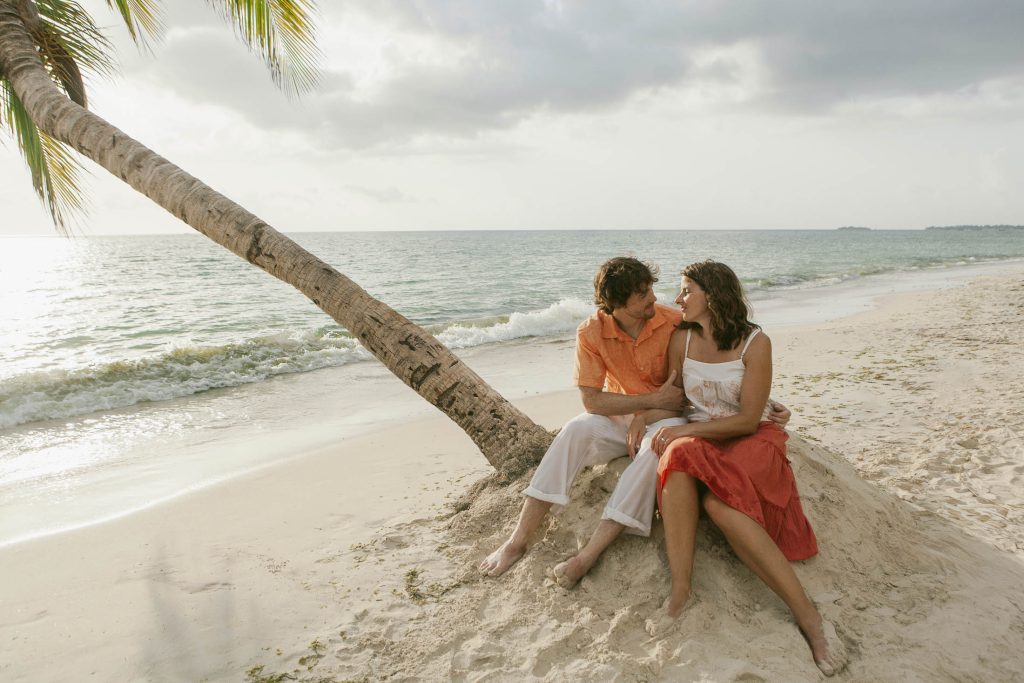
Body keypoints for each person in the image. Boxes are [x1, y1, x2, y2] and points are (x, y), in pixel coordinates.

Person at [478, 257, 790, 586]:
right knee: (575, 429)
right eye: (643, 294)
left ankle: (588, 555)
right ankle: (516, 542)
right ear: (617, 304)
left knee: (656, 448)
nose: (656, 298)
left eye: (652, 290)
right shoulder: (591, 333)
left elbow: (719, 366)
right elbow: (592, 401)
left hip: (668, 415)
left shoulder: (674, 322)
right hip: (628, 413)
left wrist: (767, 404)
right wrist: (648, 403)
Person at [646, 260, 847, 676]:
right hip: (705, 436)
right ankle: (680, 591)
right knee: (675, 457)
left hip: (750, 438)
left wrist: (689, 433)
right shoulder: (680, 339)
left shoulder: (756, 342)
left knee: (719, 506)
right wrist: (638, 416)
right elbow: (673, 397)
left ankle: (809, 618)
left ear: (713, 295)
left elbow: (748, 419)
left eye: (686, 290)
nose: (678, 299)